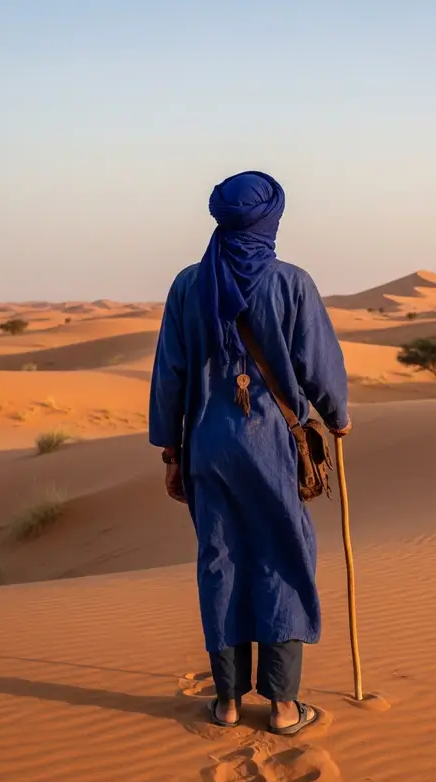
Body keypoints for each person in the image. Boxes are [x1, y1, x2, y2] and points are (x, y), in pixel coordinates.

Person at [149, 170, 350, 735]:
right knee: (281, 556)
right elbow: (318, 364)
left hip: (207, 447)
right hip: (273, 447)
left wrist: (170, 451)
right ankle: (284, 707)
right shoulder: (292, 284)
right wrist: (337, 417)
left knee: (221, 561)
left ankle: (229, 702)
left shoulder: (188, 286)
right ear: (272, 219)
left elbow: (170, 375)